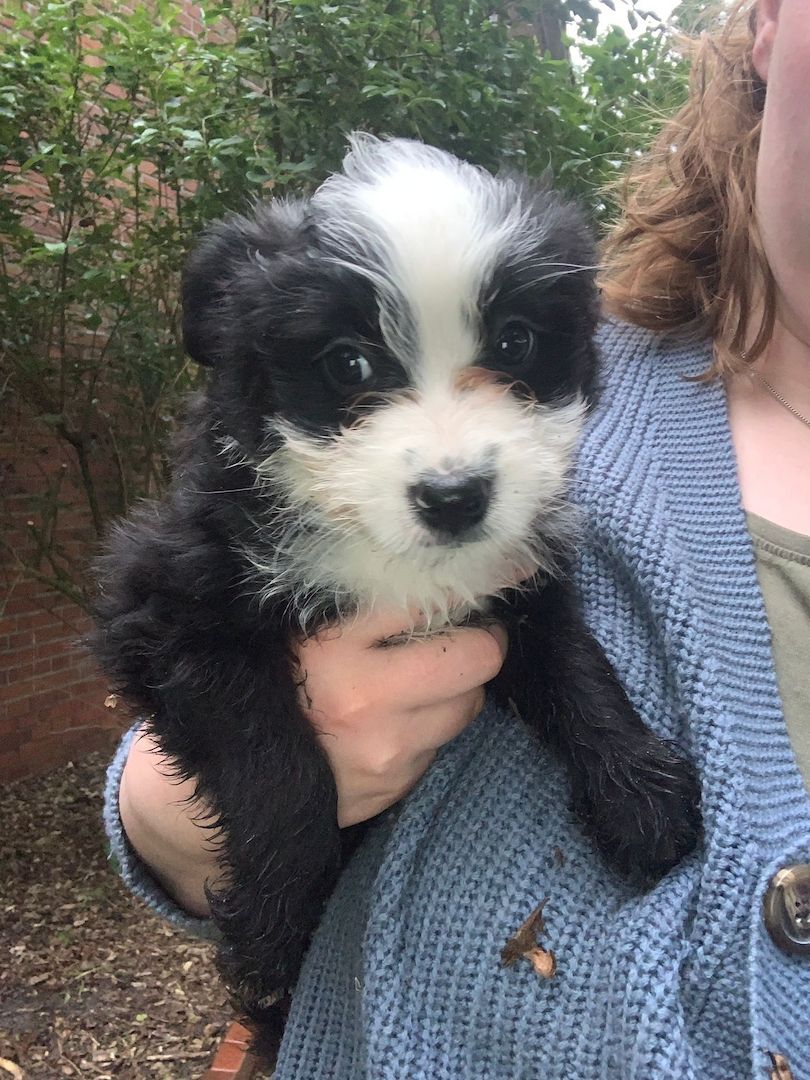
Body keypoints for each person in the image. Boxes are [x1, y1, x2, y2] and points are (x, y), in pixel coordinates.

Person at [104, 1, 810, 1076]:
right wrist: (198, 815)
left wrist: (607, 754)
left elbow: (532, 611)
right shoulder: (253, 501)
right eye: (352, 372)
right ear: (766, 26)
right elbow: (156, 630)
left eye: (511, 349)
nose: (449, 457)